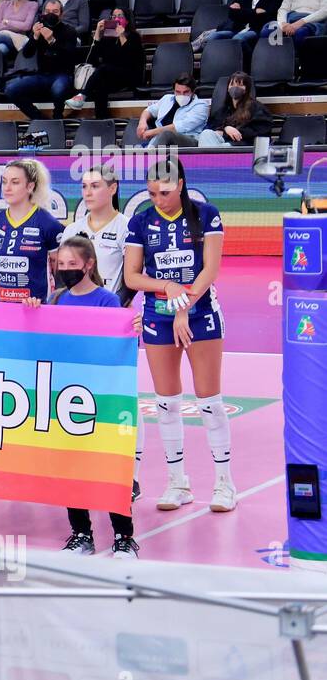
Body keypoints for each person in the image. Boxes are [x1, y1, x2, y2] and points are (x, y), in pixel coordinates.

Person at [124, 155, 235, 513]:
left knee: (209, 403)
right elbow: (132, 277)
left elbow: (210, 269)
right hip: (157, 315)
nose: (159, 199)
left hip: (200, 313)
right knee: (167, 403)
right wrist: (168, 287)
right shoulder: (141, 221)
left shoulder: (206, 214)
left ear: (182, 185)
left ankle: (224, 484)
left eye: (166, 192)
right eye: (153, 192)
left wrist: (184, 306)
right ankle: (178, 483)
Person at [23, 240, 140, 558]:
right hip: (67, 398)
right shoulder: (56, 299)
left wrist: (131, 330)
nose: (64, 271)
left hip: (100, 397)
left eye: (71, 265)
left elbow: (114, 345)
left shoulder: (107, 301)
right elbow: (43, 345)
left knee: (108, 467)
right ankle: (81, 534)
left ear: (88, 265)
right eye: (60, 265)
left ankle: (123, 537)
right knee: (70, 466)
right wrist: (35, 315)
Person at [0, 158, 63, 303]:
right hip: (0, 306)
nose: (7, 188)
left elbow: (59, 274)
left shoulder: (49, 225)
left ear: (30, 187)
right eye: (4, 181)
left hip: (35, 308)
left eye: (15, 182)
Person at [61, 162, 132, 302]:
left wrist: (114, 305)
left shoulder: (127, 227)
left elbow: (130, 281)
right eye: (84, 186)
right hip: (75, 309)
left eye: (95, 186)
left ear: (112, 188)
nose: (87, 193)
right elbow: (61, 277)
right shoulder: (72, 230)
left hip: (108, 310)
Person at [4, 0, 80, 120]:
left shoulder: (69, 31)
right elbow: (27, 54)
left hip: (62, 74)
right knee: (11, 89)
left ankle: (57, 117)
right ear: (43, 12)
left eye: (55, 11)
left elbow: (69, 56)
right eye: (48, 11)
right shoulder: (39, 28)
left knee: (58, 89)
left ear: (61, 14)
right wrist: (34, 36)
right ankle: (38, 118)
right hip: (41, 75)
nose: (50, 14)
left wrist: (51, 41)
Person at [66, 8, 145, 118]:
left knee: (103, 69)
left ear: (127, 20)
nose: (116, 19)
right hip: (111, 77)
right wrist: (98, 33)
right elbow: (91, 59)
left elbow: (130, 60)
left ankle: (82, 95)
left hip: (129, 75)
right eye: (113, 16)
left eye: (120, 16)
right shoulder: (108, 37)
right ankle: (102, 120)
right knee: (99, 85)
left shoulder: (134, 36)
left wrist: (121, 36)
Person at [197, 71, 273, 147]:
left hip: (243, 144)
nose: (235, 87)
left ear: (246, 89)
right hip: (221, 142)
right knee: (206, 133)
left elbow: (260, 131)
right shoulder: (223, 110)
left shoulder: (257, 108)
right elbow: (212, 127)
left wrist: (234, 132)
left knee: (224, 146)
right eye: (232, 84)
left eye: (240, 85)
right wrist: (226, 129)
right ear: (228, 88)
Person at [136, 75, 210, 149]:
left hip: (189, 140)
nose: (181, 95)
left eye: (185, 92)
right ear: (174, 90)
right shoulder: (167, 99)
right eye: (178, 92)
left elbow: (179, 127)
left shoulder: (201, 106)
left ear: (193, 91)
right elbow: (149, 110)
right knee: (135, 123)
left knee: (167, 134)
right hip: (160, 139)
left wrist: (152, 132)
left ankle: (149, 156)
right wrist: (142, 122)